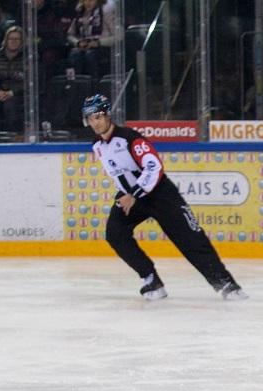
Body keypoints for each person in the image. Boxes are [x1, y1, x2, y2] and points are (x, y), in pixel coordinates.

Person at [81, 94, 247, 300]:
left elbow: (154, 166)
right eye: (90, 118)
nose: (95, 123)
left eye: (98, 117)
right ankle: (151, 279)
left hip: (160, 194)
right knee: (115, 233)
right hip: (130, 197)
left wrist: (134, 193)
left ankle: (226, 285)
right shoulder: (97, 146)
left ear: (108, 115)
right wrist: (127, 194)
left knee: (190, 238)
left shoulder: (130, 138)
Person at [66, 0, 114, 80]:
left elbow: (118, 36)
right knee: (74, 55)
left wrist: (98, 43)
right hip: (83, 47)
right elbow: (70, 35)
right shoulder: (79, 13)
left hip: (102, 47)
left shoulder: (106, 13)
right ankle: (74, 84)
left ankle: (95, 84)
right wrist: (77, 42)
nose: (88, 2)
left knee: (90, 55)